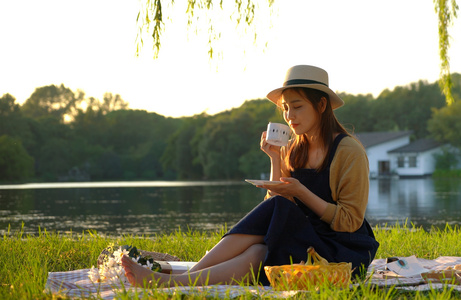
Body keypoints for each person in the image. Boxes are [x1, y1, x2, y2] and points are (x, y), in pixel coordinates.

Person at [122, 65, 379, 287]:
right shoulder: (295, 147)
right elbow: (275, 207)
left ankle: (177, 279)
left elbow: (350, 221)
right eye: (286, 108)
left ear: (321, 105)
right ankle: (184, 279)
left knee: (275, 214)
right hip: (305, 240)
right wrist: (275, 159)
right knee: (259, 251)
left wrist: (301, 192)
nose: (289, 117)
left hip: (341, 254)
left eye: (297, 107)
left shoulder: (348, 151)